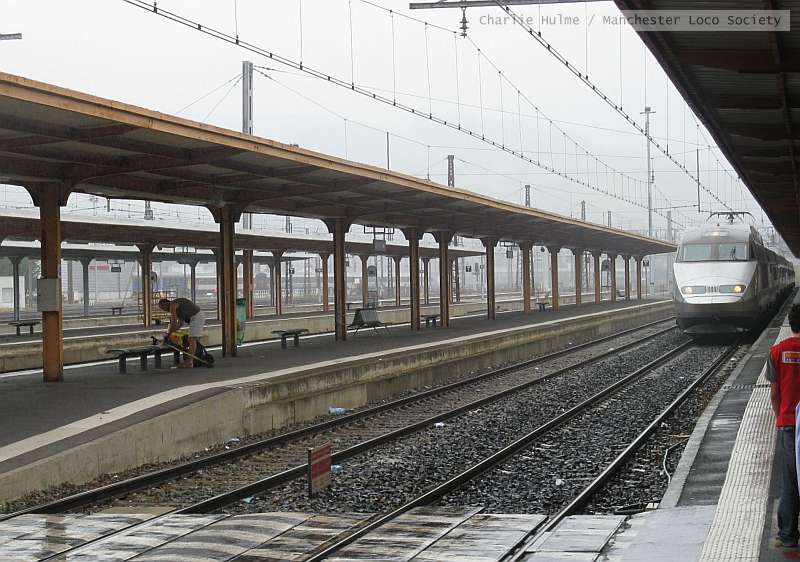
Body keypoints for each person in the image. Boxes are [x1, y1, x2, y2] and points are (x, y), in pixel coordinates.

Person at [768, 303, 800, 548]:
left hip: (789, 423)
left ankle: (788, 534)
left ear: (790, 324)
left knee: (790, 477)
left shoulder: (777, 351)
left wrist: (781, 417)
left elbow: (774, 393)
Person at [158, 297, 205, 369]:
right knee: (191, 339)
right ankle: (190, 360)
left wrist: (168, 334)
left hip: (196, 316)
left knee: (192, 339)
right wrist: (172, 333)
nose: (164, 310)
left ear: (166, 304)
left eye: (163, 307)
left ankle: (189, 362)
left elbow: (174, 322)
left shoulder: (173, 305)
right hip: (196, 317)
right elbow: (180, 323)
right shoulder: (178, 309)